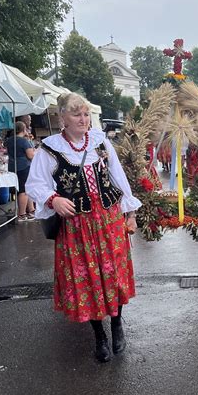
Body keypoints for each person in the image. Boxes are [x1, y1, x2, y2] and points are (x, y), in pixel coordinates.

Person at [26, 93, 142, 363]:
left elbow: (118, 177)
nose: (83, 119)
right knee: (87, 279)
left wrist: (131, 213)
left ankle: (116, 324)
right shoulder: (50, 149)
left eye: (86, 114)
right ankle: (99, 335)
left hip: (109, 220)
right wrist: (54, 199)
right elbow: (35, 184)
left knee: (113, 274)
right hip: (77, 225)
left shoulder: (100, 142)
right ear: (62, 118)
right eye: (77, 114)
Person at [5, 121, 36, 221]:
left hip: (12, 166)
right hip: (23, 166)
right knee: (24, 190)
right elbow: (31, 155)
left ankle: (31, 210)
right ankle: (22, 214)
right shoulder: (23, 141)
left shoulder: (9, 140)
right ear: (24, 130)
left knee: (26, 189)